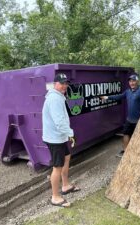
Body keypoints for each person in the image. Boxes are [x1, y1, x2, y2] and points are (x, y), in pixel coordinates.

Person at [42, 73, 80, 208]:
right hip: (54, 138)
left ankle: (65, 186)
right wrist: (71, 134)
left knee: (67, 157)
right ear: (55, 84)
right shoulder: (54, 99)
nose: (64, 86)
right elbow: (59, 122)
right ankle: (55, 197)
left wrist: (67, 135)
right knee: (57, 167)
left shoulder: (58, 97)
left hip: (59, 136)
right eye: (61, 83)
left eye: (66, 83)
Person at [101, 74, 140, 158]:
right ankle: (125, 151)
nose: (132, 83)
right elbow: (118, 97)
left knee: (138, 136)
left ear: (137, 81)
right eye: (130, 81)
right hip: (129, 119)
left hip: (138, 120)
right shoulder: (128, 91)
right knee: (125, 134)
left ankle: (138, 152)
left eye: (133, 81)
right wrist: (107, 97)